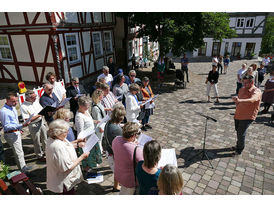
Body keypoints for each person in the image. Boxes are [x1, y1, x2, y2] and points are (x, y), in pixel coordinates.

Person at [46, 119, 89, 194]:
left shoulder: (53, 139)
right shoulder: (57, 147)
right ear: (58, 132)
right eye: (65, 132)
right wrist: (82, 157)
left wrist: (77, 142)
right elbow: (66, 168)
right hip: (63, 181)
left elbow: (66, 145)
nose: (68, 133)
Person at [0, 92, 32, 174]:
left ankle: (24, 167)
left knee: (20, 152)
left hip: (15, 132)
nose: (16, 103)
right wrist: (21, 125)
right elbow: (6, 126)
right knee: (18, 153)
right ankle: (24, 171)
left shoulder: (12, 107)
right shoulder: (4, 111)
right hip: (11, 134)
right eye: (13, 101)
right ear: (7, 100)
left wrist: (19, 128)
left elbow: (14, 121)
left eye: (16, 101)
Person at [232, 75, 262, 155]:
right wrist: (236, 101)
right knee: (238, 131)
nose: (244, 84)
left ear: (252, 82)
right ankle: (238, 145)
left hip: (247, 116)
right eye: (243, 82)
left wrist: (240, 100)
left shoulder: (257, 91)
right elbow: (238, 101)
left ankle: (239, 149)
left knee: (241, 133)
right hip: (238, 114)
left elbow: (253, 99)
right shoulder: (241, 89)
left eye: (246, 83)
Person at [112, 122, 143, 195]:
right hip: (130, 180)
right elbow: (143, 164)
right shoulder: (136, 149)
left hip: (119, 174)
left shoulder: (116, 139)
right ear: (134, 135)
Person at [75, 96, 102, 173]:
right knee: (87, 154)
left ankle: (91, 165)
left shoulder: (85, 111)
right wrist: (83, 141)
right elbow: (80, 130)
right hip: (86, 139)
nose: (88, 107)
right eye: (86, 106)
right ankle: (86, 168)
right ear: (81, 106)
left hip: (91, 136)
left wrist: (94, 121)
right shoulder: (79, 117)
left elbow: (88, 121)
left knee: (93, 153)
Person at [103, 105, 126, 192]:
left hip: (109, 150)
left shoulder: (109, 122)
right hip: (114, 154)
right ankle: (116, 187)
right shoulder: (117, 130)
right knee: (117, 171)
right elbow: (121, 143)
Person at [21, 90, 47, 162]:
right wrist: (39, 115)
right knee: (37, 141)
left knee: (45, 139)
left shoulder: (36, 101)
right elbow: (27, 119)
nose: (35, 98)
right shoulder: (23, 106)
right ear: (28, 97)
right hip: (33, 125)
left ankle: (46, 152)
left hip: (41, 122)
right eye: (33, 97)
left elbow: (42, 110)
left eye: (36, 96)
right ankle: (39, 156)